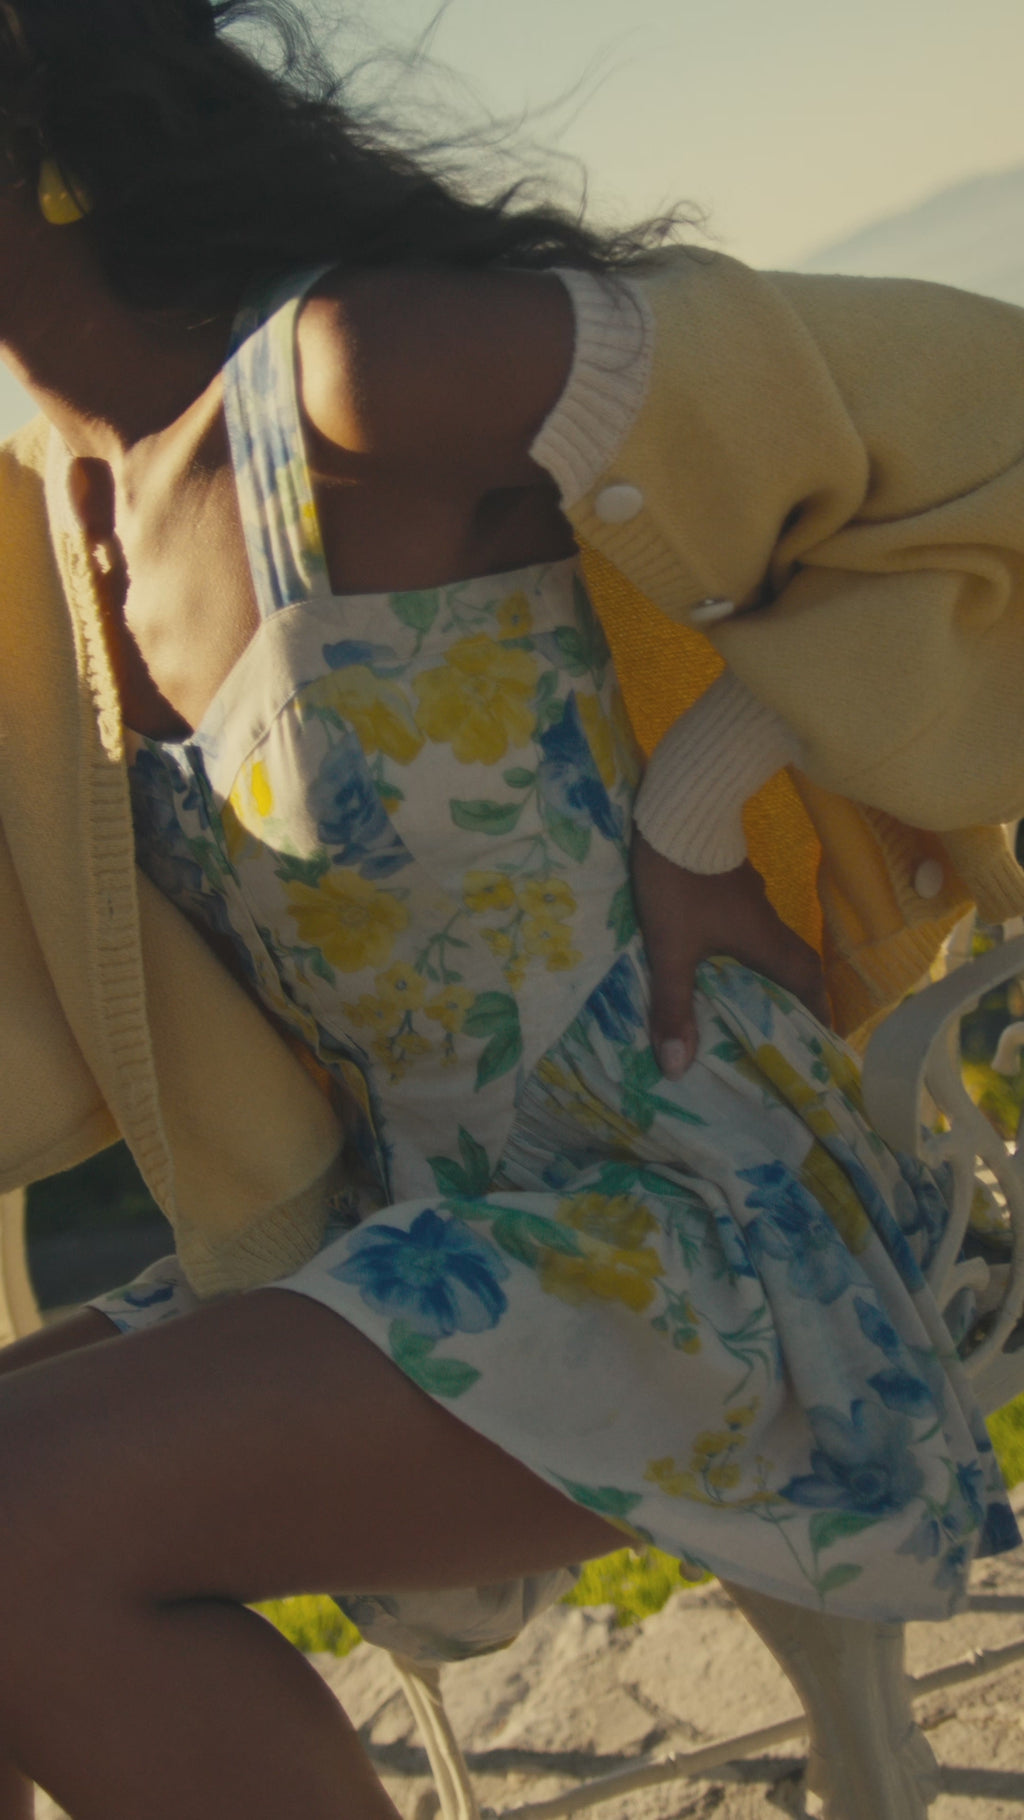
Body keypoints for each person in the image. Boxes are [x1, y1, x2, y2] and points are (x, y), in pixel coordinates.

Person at [0, 3, 1021, 1816]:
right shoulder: (51, 520)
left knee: (18, 1525)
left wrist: (697, 813)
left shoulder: (352, 372)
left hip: (697, 1219)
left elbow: (985, 428)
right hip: (394, 1235)